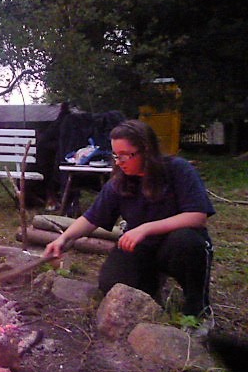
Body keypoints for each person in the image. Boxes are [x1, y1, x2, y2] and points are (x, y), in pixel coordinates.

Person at [43, 119, 214, 317]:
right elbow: (91, 218)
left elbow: (197, 216)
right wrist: (63, 239)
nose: (119, 162)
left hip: (174, 243)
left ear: (146, 150)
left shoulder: (177, 169)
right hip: (141, 247)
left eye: (125, 155)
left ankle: (198, 310)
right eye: (116, 155)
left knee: (188, 242)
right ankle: (152, 291)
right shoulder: (120, 181)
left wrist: (145, 228)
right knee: (111, 283)